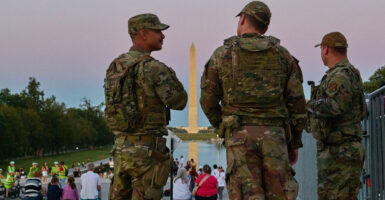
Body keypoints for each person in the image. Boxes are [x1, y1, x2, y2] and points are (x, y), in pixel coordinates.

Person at [199, 1, 306, 199]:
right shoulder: (283, 55)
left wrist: (225, 128)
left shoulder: (222, 55)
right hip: (275, 136)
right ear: (265, 27)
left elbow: (208, 101)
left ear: (243, 19)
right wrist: (294, 143)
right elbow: (298, 104)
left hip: (239, 137)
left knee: (245, 193)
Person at [105, 13, 187, 200]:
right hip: (147, 152)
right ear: (143, 33)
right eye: (157, 31)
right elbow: (179, 101)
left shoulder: (115, 66)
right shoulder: (154, 68)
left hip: (121, 148)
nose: (162, 36)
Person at [307, 32, 366, 200]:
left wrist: (307, 105)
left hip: (340, 151)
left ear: (325, 49)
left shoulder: (340, 75)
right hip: (340, 149)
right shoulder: (347, 73)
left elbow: (334, 106)